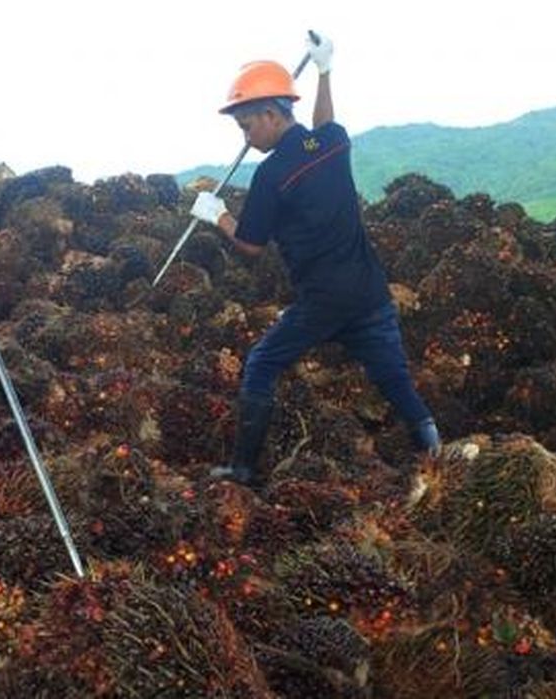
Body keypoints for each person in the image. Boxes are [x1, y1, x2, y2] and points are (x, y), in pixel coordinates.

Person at [188, 32, 439, 488]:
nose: (246, 136)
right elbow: (323, 124)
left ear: (270, 113)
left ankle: (242, 469)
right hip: (368, 290)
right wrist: (325, 72)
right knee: (393, 377)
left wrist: (217, 215)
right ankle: (435, 454)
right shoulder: (332, 144)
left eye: (247, 125)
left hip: (322, 300)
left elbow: (249, 244)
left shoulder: (270, 176)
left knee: (262, 361)